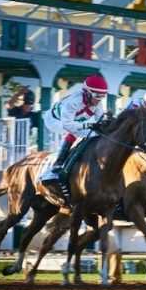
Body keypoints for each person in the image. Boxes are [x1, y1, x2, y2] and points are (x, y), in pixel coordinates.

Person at [38, 75, 108, 208]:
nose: (99, 100)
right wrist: (86, 125)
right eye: (97, 96)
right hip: (54, 121)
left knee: (94, 134)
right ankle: (56, 166)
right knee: (75, 132)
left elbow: (100, 123)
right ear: (87, 93)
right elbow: (68, 125)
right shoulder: (74, 101)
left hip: (73, 122)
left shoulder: (97, 103)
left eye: (102, 97)